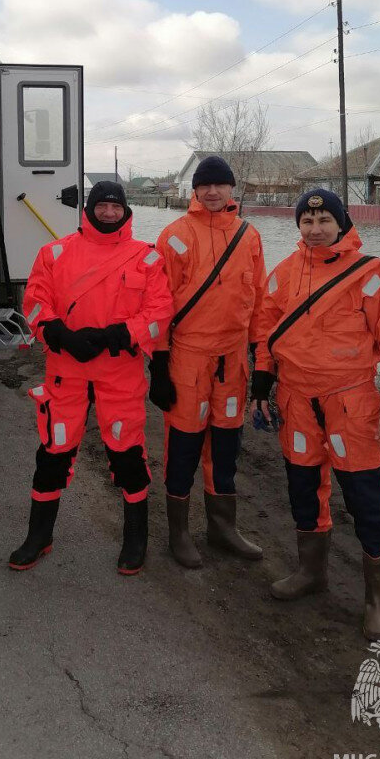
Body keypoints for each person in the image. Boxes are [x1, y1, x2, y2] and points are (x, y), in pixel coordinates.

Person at [251, 188, 380, 640]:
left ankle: (376, 600)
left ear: (341, 222)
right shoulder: (283, 274)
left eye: (324, 220)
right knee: (302, 488)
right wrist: (260, 384)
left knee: (366, 500)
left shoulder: (371, 274)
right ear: (298, 225)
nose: (316, 229)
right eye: (307, 221)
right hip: (297, 402)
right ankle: (312, 573)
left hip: (351, 404)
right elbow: (266, 332)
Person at [10, 181, 174, 576]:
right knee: (53, 454)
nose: (109, 212)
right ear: (89, 208)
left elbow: (159, 313)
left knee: (128, 456)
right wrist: (58, 334)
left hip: (120, 374)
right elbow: (34, 302)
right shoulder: (54, 253)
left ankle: (136, 540)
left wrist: (113, 336)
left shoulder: (148, 258)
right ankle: (39, 536)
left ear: (126, 210)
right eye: (102, 206)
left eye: (116, 206)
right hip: (67, 371)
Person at [149, 155, 268, 568]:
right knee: (183, 447)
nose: (213, 192)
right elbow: (159, 306)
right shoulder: (175, 236)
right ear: (195, 190)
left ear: (232, 189)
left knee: (225, 448)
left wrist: (262, 359)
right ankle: (179, 533)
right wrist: (158, 364)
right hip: (188, 358)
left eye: (220, 184)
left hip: (233, 362)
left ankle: (221, 529)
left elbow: (260, 304)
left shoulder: (249, 236)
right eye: (205, 185)